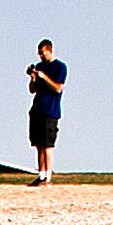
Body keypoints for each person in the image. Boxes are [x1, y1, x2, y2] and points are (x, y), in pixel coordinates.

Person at [27, 42, 68, 185]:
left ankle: (48, 176)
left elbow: (58, 88)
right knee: (38, 145)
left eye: (43, 53)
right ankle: (41, 174)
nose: (41, 56)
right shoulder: (40, 66)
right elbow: (32, 90)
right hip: (37, 109)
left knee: (48, 144)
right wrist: (33, 77)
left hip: (50, 111)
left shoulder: (60, 67)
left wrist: (44, 77)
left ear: (49, 51)